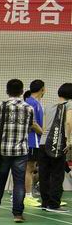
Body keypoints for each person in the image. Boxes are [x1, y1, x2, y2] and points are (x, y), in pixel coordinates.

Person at [0, 79, 38, 222]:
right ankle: (18, 214)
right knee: (19, 182)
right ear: (22, 91)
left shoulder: (1, 105)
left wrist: (0, 133)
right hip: (21, 150)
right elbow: (31, 127)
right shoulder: (29, 108)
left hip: (3, 150)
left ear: (7, 91)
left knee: (0, 180)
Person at [38, 83, 72, 213]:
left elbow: (44, 127)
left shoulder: (48, 106)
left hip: (43, 143)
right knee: (57, 174)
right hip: (57, 143)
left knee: (44, 174)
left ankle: (45, 202)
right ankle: (54, 204)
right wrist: (68, 140)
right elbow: (68, 122)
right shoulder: (69, 104)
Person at [23, 80, 45, 207]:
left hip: (35, 140)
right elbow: (32, 123)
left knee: (31, 169)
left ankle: (26, 195)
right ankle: (27, 196)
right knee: (29, 169)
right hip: (32, 140)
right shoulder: (31, 103)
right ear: (42, 89)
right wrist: (43, 133)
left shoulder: (36, 103)